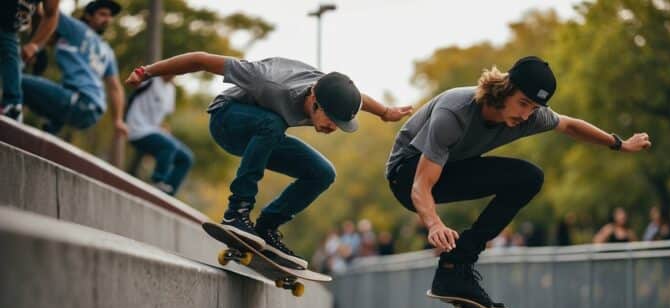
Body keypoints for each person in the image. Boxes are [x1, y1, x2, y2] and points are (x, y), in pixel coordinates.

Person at [385, 56, 651, 308]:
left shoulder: (531, 116)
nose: (525, 116)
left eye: (534, 108)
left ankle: (456, 265)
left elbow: (570, 125)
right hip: (406, 173)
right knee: (428, 177)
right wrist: (434, 224)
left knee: (529, 177)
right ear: (504, 89)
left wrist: (619, 144)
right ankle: (454, 265)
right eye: (522, 103)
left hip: (449, 168)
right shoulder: (454, 113)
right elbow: (420, 184)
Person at [126, 53, 412, 268]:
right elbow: (201, 60)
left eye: (339, 124)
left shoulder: (330, 89)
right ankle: (237, 212)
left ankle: (267, 226)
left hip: (263, 139)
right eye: (331, 120)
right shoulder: (268, 79)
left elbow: (357, 98)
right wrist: (146, 72)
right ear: (314, 101)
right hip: (228, 121)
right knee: (273, 123)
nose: (331, 128)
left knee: (322, 172)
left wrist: (386, 112)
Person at [21, 0, 126, 137]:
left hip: (78, 99)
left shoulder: (75, 28)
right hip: (92, 113)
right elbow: (115, 87)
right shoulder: (107, 51)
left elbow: (48, 10)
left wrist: (34, 43)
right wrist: (118, 120)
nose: (107, 19)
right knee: (50, 118)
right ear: (88, 15)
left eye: (109, 16)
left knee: (15, 80)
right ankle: (48, 137)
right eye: (103, 14)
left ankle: (8, 112)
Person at [125, 75, 194, 195]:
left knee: (186, 158)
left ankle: (168, 195)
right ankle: (157, 181)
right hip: (135, 130)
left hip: (153, 131)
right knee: (169, 146)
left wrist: (164, 130)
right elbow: (133, 83)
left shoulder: (170, 89)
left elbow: (163, 116)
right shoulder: (151, 79)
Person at [0, 0, 59, 121]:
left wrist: (35, 45)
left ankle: (12, 106)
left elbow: (50, 15)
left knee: (12, 58)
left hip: (9, 28)